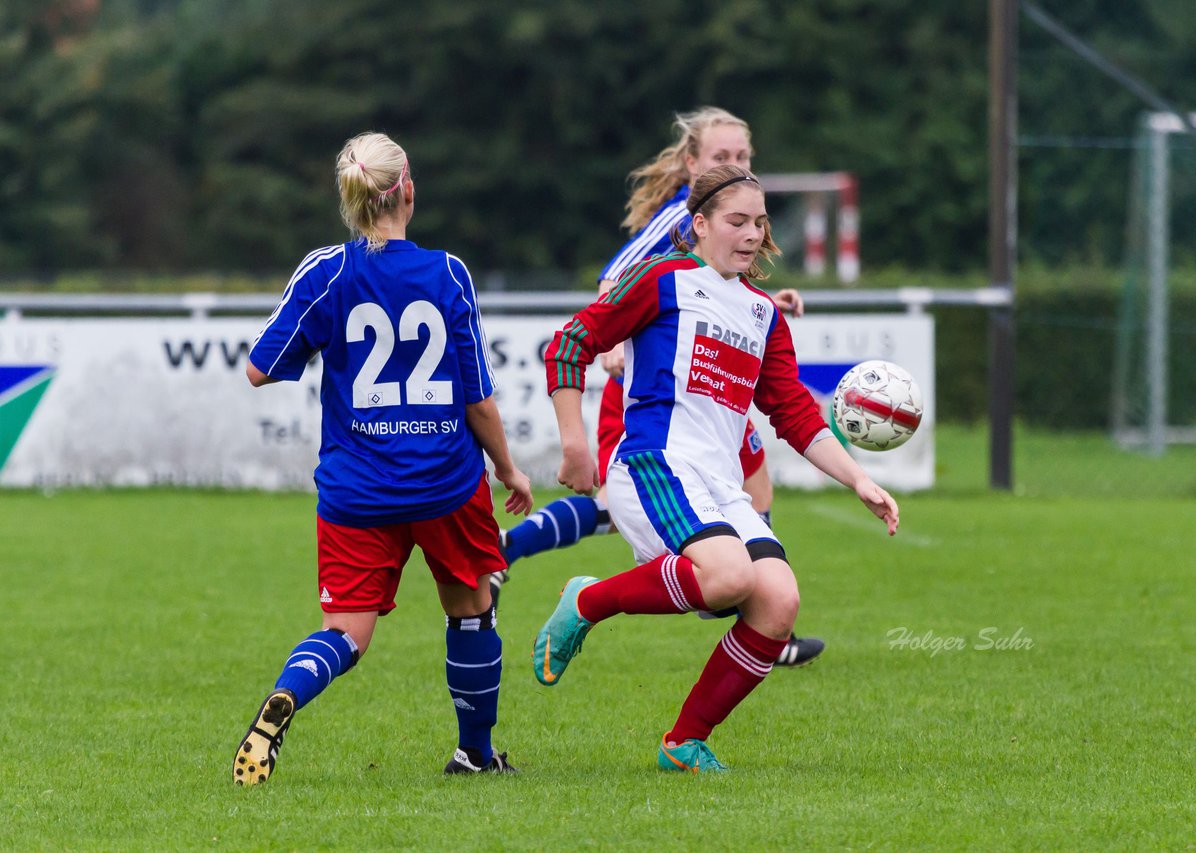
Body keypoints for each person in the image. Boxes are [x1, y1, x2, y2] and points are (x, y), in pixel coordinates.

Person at [533, 164, 899, 773]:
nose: (752, 233)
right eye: (737, 221)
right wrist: (575, 445)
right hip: (654, 463)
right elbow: (571, 343)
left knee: (778, 602)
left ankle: (684, 742)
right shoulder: (662, 281)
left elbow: (796, 418)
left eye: (759, 222)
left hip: (719, 484)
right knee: (729, 578)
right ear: (698, 225)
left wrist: (859, 479)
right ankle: (589, 601)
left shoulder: (763, 315)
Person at [232, 132, 533, 785]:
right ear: (408, 191)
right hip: (445, 483)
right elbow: (478, 399)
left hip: (356, 491)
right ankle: (475, 753)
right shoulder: (448, 273)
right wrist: (508, 469)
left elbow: (260, 368)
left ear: (353, 197)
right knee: (471, 607)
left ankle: (284, 697)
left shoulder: (327, 271)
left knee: (346, 632)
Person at [494, 107, 825, 667]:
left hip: (711, 381)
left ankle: (750, 594)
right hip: (661, 387)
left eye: (743, 157)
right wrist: (619, 345)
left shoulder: (734, 221)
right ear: (691, 163)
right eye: (723, 157)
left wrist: (765, 303)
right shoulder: (680, 216)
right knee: (616, 501)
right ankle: (517, 554)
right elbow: (614, 281)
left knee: (740, 481)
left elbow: (720, 287)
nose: (737, 164)